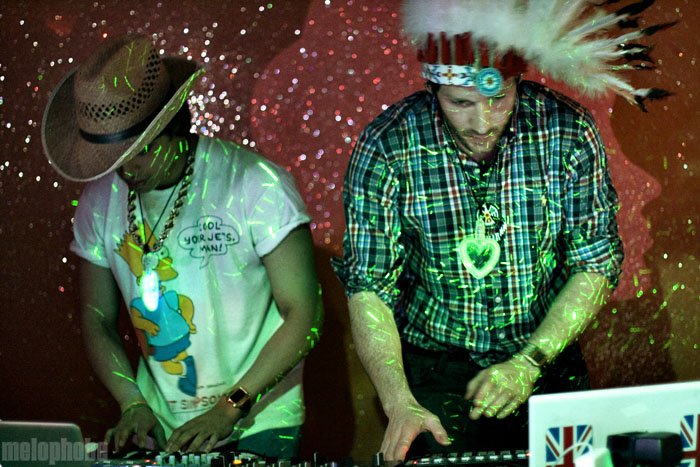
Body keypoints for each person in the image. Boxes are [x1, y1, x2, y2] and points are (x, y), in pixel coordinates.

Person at [332, 0, 671, 461]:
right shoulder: (387, 144)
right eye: (461, 103)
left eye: (498, 98)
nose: (483, 121)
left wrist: (529, 362)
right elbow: (369, 286)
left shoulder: (568, 131)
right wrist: (398, 401)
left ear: (517, 82)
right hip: (436, 369)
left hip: (547, 356)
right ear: (433, 88)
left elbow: (595, 262)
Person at [41, 34, 322, 458]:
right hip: (164, 428)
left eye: (141, 151)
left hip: (260, 419)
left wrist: (231, 405)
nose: (127, 170)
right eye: (114, 159)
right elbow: (97, 317)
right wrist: (132, 403)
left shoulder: (257, 185)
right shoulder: (99, 203)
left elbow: (305, 312)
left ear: (174, 125)